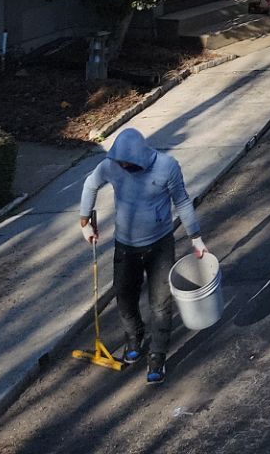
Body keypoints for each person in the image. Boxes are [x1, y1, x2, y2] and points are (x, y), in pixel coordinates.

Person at [79, 126, 206, 384]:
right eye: (120, 161)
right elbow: (90, 185)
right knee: (124, 297)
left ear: (140, 156)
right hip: (125, 246)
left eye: (127, 162)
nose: (123, 165)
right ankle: (134, 336)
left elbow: (181, 201)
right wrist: (85, 221)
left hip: (159, 245)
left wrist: (196, 237)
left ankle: (157, 356)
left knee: (160, 304)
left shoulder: (167, 166)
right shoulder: (112, 165)